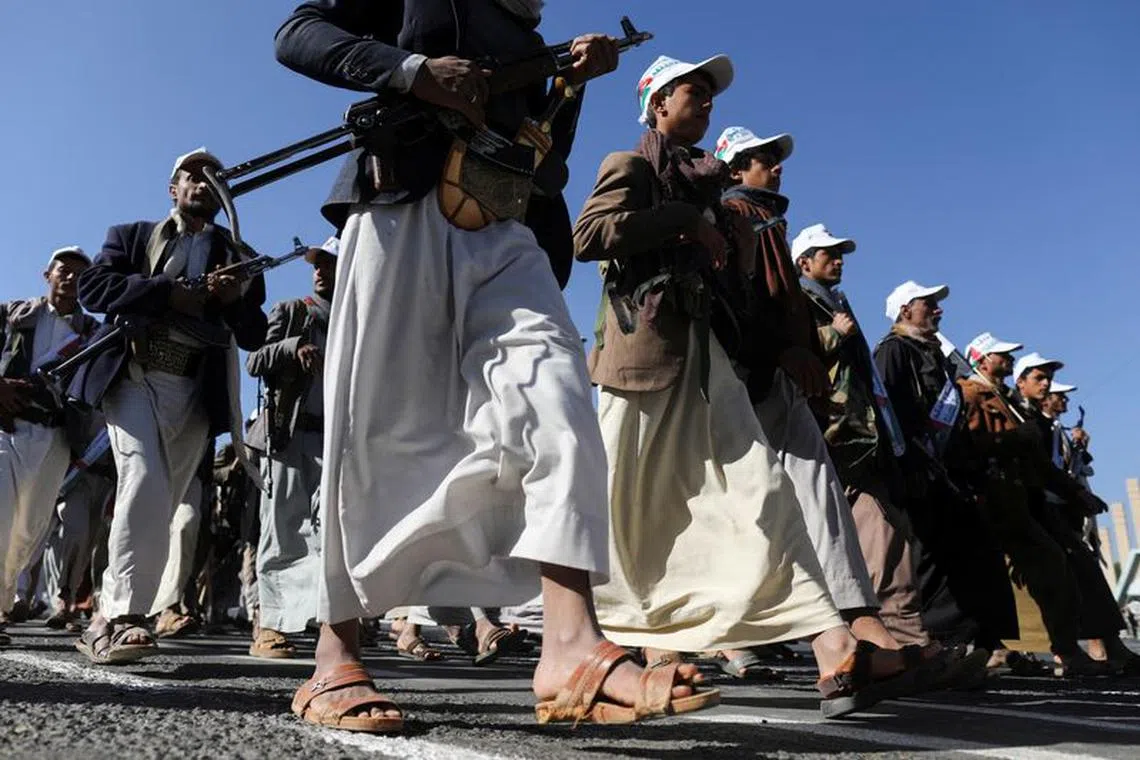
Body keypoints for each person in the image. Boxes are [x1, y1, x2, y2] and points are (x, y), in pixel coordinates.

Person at [274, 0, 712, 733]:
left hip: (507, 233)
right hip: (401, 205)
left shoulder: (533, 44)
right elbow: (298, 33)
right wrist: (414, 72)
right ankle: (333, 656)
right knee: (374, 424)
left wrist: (572, 85)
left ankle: (570, 642)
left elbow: (544, 166)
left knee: (557, 392)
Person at [576, 53, 923, 719]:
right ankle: (658, 654)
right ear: (656, 105)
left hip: (709, 369)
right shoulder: (635, 166)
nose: (705, 104)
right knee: (647, 513)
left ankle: (832, 647)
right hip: (643, 364)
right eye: (692, 92)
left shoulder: (714, 192)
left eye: (709, 95)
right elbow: (590, 235)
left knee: (759, 495)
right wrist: (684, 222)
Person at [718, 129, 920, 672]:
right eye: (763, 159)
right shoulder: (734, 216)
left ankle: (856, 625)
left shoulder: (766, 224)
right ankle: (720, 634)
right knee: (741, 505)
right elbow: (737, 302)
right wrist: (788, 349)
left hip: (784, 386)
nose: (776, 166)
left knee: (813, 496)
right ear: (735, 168)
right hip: (745, 379)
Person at [72, 148, 268, 664]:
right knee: (144, 481)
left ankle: (111, 613)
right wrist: (169, 295)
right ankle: (123, 616)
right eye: (190, 176)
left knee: (165, 503)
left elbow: (253, 334)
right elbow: (95, 289)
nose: (201, 184)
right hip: (134, 376)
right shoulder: (131, 236)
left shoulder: (239, 255)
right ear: (172, 188)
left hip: (194, 391)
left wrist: (232, 302)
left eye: (212, 178)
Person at [873, 289, 1019, 657]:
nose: (938, 310)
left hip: (949, 473)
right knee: (930, 559)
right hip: (920, 469)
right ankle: (941, 641)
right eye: (928, 304)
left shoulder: (934, 355)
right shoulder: (893, 351)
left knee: (971, 552)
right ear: (906, 310)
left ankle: (978, 639)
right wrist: (910, 465)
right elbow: (890, 412)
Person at [1010, 354, 1138, 674]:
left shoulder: (1046, 426)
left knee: (1082, 570)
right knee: (1061, 571)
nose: (1053, 391)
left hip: (1052, 509)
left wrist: (1078, 493)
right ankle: (1065, 651)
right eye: (1042, 380)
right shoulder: (1018, 418)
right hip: (1030, 508)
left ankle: (1105, 644)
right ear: (1021, 382)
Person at [244, 237, 339, 658]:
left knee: (326, 534)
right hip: (289, 433)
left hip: (334, 438)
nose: (320, 270)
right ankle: (267, 625)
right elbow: (255, 361)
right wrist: (292, 348)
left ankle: (311, 621)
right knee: (280, 528)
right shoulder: (292, 310)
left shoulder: (357, 318)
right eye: (316, 264)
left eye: (330, 264)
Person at [0, 246, 97, 647]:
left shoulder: (94, 333)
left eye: (79, 274)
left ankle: (5, 598)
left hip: (55, 437)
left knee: (30, 530)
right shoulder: (14, 314)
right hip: (7, 427)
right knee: (0, 516)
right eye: (64, 270)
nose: (70, 278)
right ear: (48, 275)